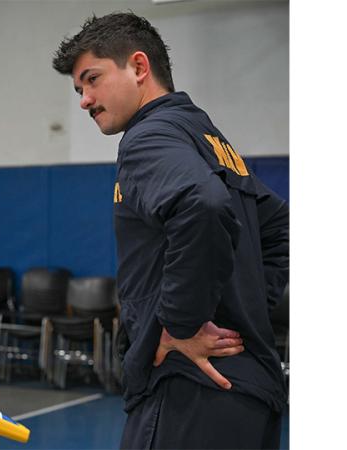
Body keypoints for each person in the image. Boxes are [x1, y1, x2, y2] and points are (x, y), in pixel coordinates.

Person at [52, 12, 288, 449]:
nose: (84, 100)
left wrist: (181, 324)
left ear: (139, 67)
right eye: (79, 89)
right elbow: (282, 230)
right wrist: (243, 305)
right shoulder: (207, 138)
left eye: (92, 79)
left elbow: (203, 205)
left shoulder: (149, 137)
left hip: (191, 389)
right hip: (249, 391)